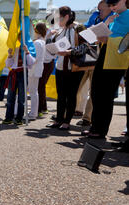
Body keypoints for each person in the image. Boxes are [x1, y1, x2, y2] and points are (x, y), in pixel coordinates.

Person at [84, 0, 129, 139]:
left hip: (116, 59)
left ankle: (100, 130)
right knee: (96, 92)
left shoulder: (127, 15)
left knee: (105, 95)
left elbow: (125, 41)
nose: (111, 5)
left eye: (113, 2)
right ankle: (95, 126)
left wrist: (107, 40)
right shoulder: (114, 16)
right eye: (110, 3)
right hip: (105, 54)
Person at [76, 1, 114, 126]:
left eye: (101, 10)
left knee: (95, 90)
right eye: (98, 9)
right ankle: (69, 113)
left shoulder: (115, 18)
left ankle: (88, 118)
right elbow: (85, 29)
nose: (98, 12)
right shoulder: (96, 16)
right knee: (77, 86)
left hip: (102, 57)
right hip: (89, 56)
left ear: (110, 8)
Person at [46, 6, 84, 131]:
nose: (57, 22)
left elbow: (88, 47)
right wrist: (50, 40)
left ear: (67, 17)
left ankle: (67, 121)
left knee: (71, 95)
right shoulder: (59, 31)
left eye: (59, 19)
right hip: (61, 66)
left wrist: (69, 52)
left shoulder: (79, 28)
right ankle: (59, 119)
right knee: (61, 95)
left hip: (74, 68)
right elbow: (52, 47)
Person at [2, 37, 36, 125]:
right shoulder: (14, 47)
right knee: (10, 97)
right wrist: (9, 55)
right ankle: (8, 117)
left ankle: (19, 118)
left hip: (22, 73)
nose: (19, 38)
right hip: (13, 73)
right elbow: (8, 64)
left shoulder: (29, 46)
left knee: (22, 98)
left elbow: (32, 62)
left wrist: (27, 52)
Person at [26, 22, 47, 120]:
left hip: (34, 69)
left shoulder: (38, 42)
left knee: (33, 92)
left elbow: (35, 58)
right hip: (36, 69)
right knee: (33, 91)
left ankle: (33, 113)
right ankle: (33, 112)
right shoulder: (41, 41)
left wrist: (27, 54)